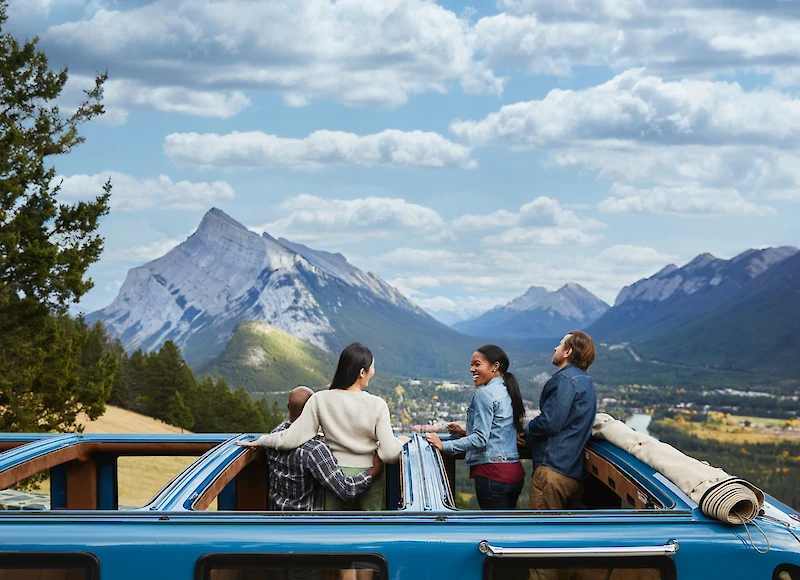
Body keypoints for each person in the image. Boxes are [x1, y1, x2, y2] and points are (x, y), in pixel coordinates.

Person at [249, 343, 410, 511]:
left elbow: (293, 437)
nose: (373, 372)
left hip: (334, 477)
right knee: (368, 530)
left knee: (334, 531)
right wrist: (398, 442)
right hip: (371, 473)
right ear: (362, 372)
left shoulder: (320, 399)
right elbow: (391, 454)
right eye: (373, 367)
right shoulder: (378, 405)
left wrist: (262, 440)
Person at [238, 386, 382, 511]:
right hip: (307, 524)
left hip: (278, 518)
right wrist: (374, 470)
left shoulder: (275, 435)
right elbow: (346, 490)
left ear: (288, 406)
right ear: (314, 411)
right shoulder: (314, 450)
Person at [426, 345, 526, 510]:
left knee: (495, 532)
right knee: (507, 530)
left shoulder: (484, 394)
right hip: (514, 472)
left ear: (495, 366)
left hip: (492, 474)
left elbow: (480, 439)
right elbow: (499, 430)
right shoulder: (507, 390)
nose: (472, 369)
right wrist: (464, 433)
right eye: (472, 365)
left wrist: (444, 445)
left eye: (477, 364)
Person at [521, 330, 597, 511]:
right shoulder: (586, 381)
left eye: (560, 344)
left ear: (568, 352)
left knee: (542, 533)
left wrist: (526, 428)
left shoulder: (564, 380)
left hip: (552, 472)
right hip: (573, 472)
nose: (555, 348)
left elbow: (550, 422)